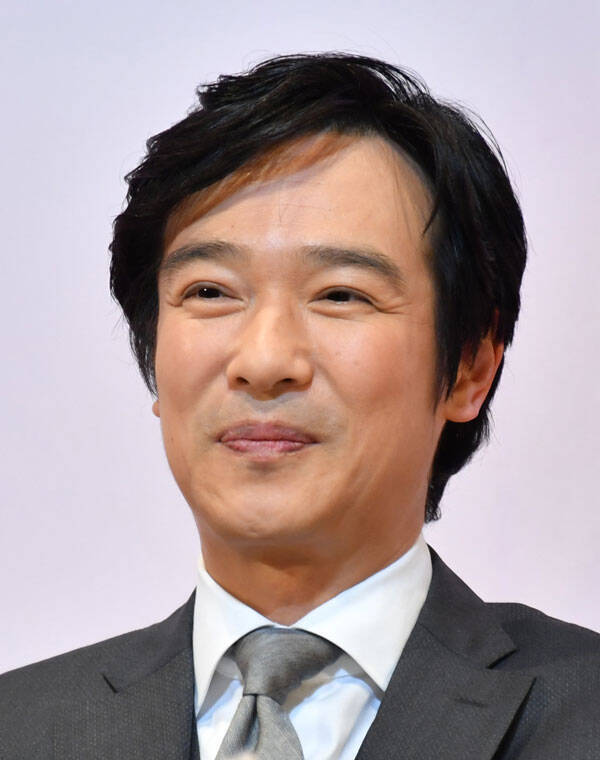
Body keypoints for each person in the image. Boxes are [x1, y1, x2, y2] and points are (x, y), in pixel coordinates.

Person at [1, 52, 598, 760]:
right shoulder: (21, 727)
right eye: (209, 292)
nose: (262, 362)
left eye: (340, 295)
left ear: (470, 366)